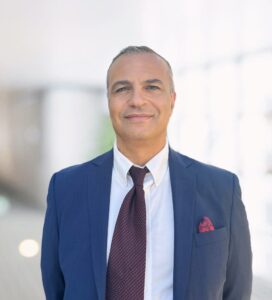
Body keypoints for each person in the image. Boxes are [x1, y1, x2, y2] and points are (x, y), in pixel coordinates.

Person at [41, 46, 252, 300]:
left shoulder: (221, 189)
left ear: (172, 100)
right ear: (108, 100)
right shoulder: (65, 188)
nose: (137, 100)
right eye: (122, 89)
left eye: (152, 87)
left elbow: (236, 291)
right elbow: (56, 287)